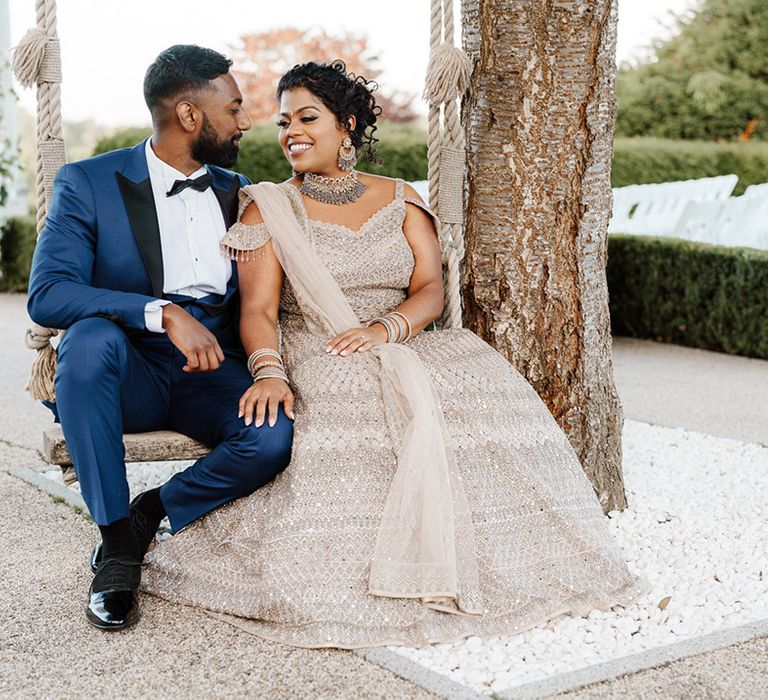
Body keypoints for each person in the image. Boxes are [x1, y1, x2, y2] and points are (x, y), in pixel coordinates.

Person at [142, 60, 648, 648]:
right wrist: (269, 372)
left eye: (308, 118)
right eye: (283, 122)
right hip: (320, 343)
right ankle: (359, 569)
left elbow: (431, 289)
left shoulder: (402, 198)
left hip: (400, 336)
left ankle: (491, 555)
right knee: (359, 401)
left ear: (348, 124)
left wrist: (387, 329)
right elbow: (257, 310)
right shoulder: (267, 207)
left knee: (475, 391)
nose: (290, 133)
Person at [26, 45, 294, 631]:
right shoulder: (88, 183)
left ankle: (153, 510)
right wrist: (163, 313)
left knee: (272, 437)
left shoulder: (240, 190)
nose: (246, 121)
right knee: (88, 340)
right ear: (189, 116)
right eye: (234, 107)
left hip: (213, 369)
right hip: (128, 367)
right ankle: (117, 544)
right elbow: (48, 293)